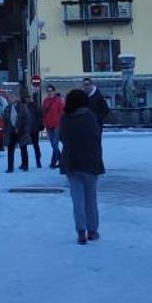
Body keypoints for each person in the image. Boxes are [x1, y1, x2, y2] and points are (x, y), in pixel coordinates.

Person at [59, 89, 105, 243]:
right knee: (90, 198)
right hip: (90, 161)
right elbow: (96, 137)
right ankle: (92, 230)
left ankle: (81, 231)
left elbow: (62, 137)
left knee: (77, 199)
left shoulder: (65, 117)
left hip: (71, 162)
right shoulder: (90, 117)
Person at [4, 90, 38, 172]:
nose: (10, 99)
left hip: (21, 130)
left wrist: (25, 129)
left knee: (23, 148)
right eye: (9, 97)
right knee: (10, 149)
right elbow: (5, 120)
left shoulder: (22, 107)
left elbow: (27, 119)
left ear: (16, 97)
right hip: (11, 131)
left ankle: (25, 165)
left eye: (12, 97)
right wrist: (7, 129)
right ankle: (10, 167)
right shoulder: (7, 108)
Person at [40, 86, 65, 168]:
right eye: (48, 91)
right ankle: (60, 160)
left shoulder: (58, 101)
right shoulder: (45, 101)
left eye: (50, 91)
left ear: (54, 91)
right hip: (48, 125)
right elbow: (43, 112)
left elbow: (62, 113)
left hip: (56, 125)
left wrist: (59, 122)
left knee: (55, 143)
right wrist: (44, 121)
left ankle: (56, 161)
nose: (49, 92)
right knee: (53, 144)